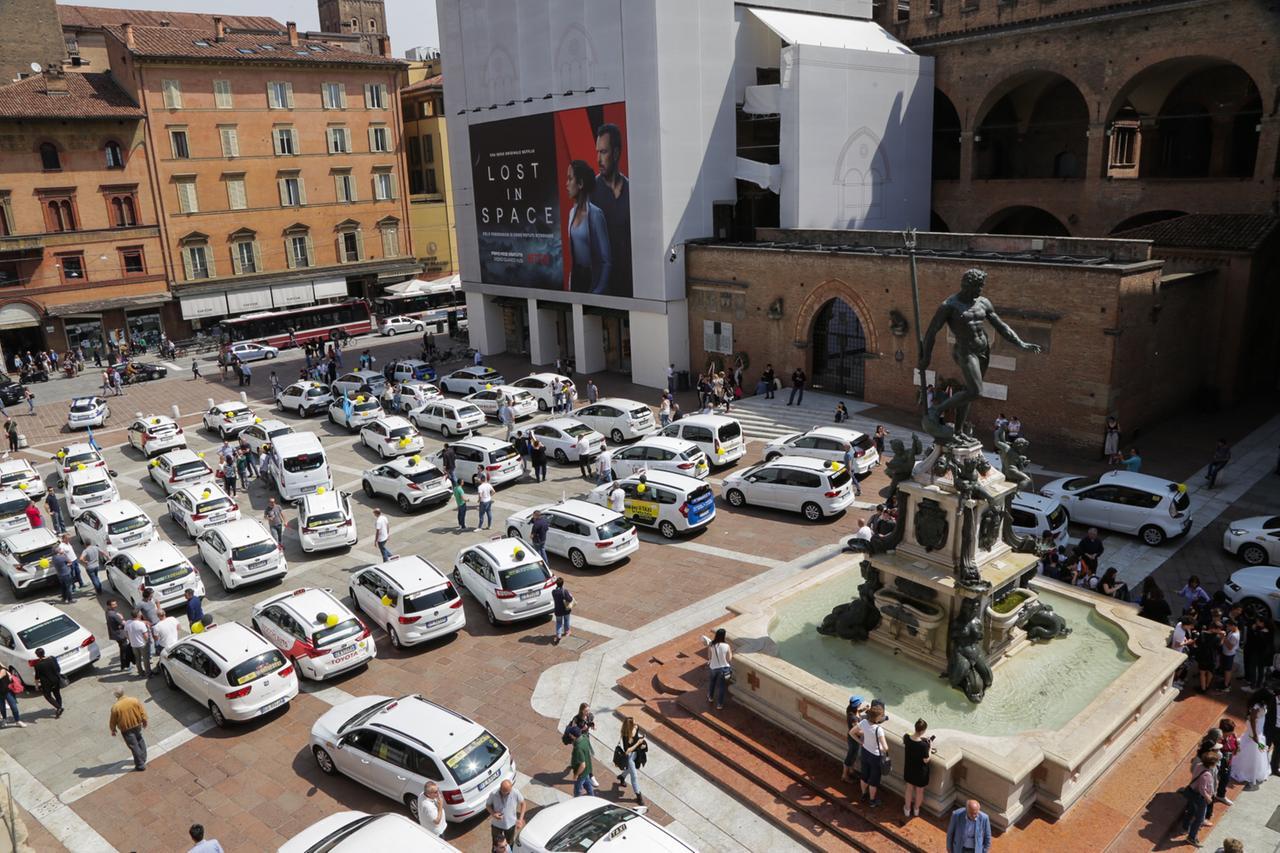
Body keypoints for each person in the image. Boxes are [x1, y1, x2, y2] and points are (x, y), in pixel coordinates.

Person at [591, 121, 631, 297]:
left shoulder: (631, 190)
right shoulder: (590, 192)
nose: (598, 159)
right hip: (603, 288)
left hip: (631, 285)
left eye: (603, 152)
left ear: (615, 153)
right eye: (597, 152)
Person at [565, 159, 612, 294]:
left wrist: (598, 291)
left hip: (591, 281)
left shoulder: (596, 215)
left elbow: (606, 261)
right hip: (576, 280)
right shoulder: (571, 213)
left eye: (570, 179)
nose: (566, 184)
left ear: (580, 183)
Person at [1230, 691, 1270, 789]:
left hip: (1259, 729)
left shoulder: (1260, 704)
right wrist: (1255, 735)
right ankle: (1248, 771)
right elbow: (1252, 720)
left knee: (1255, 750)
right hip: (1255, 730)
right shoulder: (1257, 706)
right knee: (1253, 750)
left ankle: (1252, 769)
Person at [852, 702, 888, 807]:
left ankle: (864, 794)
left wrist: (861, 742)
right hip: (875, 756)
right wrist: (880, 748)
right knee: (874, 780)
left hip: (865, 752)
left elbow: (851, 732)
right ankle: (872, 801)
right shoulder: (879, 730)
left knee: (864, 775)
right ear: (877, 718)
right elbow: (885, 747)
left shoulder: (863, 722)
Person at [109, 688, 148, 771]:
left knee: (134, 746)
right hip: (137, 725)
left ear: (116, 696)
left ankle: (140, 765)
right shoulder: (134, 700)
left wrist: (113, 729)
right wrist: (144, 721)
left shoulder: (115, 707)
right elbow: (142, 712)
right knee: (140, 739)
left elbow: (113, 720)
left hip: (126, 729)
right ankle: (143, 757)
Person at [903, 718, 934, 820]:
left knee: (909, 789)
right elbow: (926, 760)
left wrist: (921, 737)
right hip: (920, 772)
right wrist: (930, 748)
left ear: (915, 727)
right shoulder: (924, 745)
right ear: (923, 730)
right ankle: (916, 810)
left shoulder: (906, 738)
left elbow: (910, 737)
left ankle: (907, 809)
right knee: (919, 791)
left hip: (909, 769)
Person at [616, 716, 647, 804]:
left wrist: (642, 741)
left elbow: (637, 738)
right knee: (634, 776)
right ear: (628, 727)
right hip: (629, 757)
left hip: (636, 754)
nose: (635, 725)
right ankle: (638, 796)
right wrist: (638, 743)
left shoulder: (636, 727)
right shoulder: (625, 736)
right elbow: (627, 751)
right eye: (632, 724)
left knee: (630, 769)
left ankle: (622, 777)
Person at [702, 628, 732, 710]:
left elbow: (709, 657)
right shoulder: (727, 646)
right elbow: (729, 659)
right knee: (722, 687)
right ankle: (719, 705)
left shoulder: (711, 645)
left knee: (712, 682)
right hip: (723, 669)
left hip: (713, 667)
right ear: (724, 636)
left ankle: (710, 697)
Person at [1244, 614, 1273, 690]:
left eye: (1258, 621)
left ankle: (1252, 686)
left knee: (1253, 668)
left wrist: (1254, 630)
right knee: (1261, 669)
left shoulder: (1263, 632)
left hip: (1258, 652)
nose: (1256, 623)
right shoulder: (1267, 630)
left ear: (1262, 623)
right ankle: (1258, 685)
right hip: (1263, 653)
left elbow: (1256, 641)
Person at [32, 648, 63, 717]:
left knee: (47, 696)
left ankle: (59, 708)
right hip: (56, 680)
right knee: (57, 694)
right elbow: (58, 669)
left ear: (37, 655)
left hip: (46, 683)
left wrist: (36, 686)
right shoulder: (52, 659)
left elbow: (37, 676)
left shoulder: (37, 665)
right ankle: (59, 708)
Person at [841, 696, 865, 782]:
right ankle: (844, 776)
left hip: (852, 738)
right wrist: (868, 732)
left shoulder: (850, 710)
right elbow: (857, 731)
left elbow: (858, 712)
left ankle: (851, 771)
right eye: (860, 703)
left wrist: (864, 709)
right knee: (850, 756)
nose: (861, 703)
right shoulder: (853, 718)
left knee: (853, 755)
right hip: (854, 739)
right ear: (857, 705)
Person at [105, 600, 131, 671]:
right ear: (109, 606)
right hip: (120, 635)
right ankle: (125, 666)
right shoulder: (113, 615)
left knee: (122, 649)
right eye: (113, 605)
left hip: (115, 634)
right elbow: (123, 623)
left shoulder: (107, 612)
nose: (116, 605)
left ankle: (125, 665)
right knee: (124, 650)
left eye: (115, 604)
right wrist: (121, 618)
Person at [125, 610, 152, 677]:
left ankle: (140, 673)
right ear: (138, 615)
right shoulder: (141, 624)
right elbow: (146, 636)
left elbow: (126, 633)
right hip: (142, 644)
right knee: (146, 659)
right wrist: (147, 641)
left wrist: (130, 640)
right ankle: (148, 673)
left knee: (137, 659)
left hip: (133, 645)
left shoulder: (127, 623)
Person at [571, 727, 595, 797]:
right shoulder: (585, 737)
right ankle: (592, 797)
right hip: (587, 769)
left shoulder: (578, 748)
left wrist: (576, 775)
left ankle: (577, 801)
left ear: (573, 736)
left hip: (581, 773)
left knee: (577, 791)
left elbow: (582, 765)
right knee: (588, 784)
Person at [0, 663, 24, 728]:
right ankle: (4, 719)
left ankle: (17, 721)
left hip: (8, 692)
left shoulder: (2, 670)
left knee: (14, 707)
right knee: (2, 708)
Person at [1220, 619, 1241, 691]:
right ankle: (1225, 682)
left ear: (1233, 625)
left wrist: (1223, 638)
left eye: (1228, 626)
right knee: (1226, 669)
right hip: (1227, 653)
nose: (1227, 628)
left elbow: (1230, 647)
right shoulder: (1233, 631)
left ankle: (1226, 685)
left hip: (1229, 654)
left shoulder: (1235, 635)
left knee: (1227, 670)